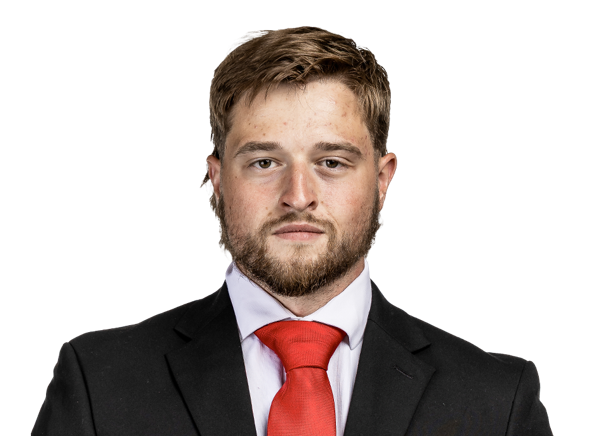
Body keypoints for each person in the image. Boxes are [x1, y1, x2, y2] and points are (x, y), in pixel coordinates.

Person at [32, 26, 552, 435]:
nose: (298, 195)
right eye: (264, 162)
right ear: (217, 181)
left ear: (382, 180)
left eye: (331, 162)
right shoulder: (98, 383)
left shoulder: (498, 401)